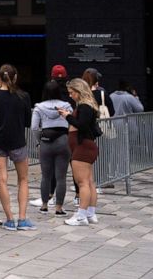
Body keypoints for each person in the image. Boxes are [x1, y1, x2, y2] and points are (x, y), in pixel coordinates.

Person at [0, 64, 35, 231]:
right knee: (23, 179)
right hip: (18, 141)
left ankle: (9, 218)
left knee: (2, 179)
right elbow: (28, 122)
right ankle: (22, 218)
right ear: (15, 77)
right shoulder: (24, 96)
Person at [58, 78, 100, 226]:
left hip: (82, 148)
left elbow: (81, 125)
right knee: (89, 182)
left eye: (72, 93)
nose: (70, 96)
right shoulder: (87, 106)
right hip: (85, 147)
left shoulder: (84, 106)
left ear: (78, 91)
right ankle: (90, 213)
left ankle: (81, 215)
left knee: (82, 183)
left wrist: (67, 116)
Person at [31, 80, 73, 216]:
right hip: (63, 140)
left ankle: (44, 205)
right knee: (61, 177)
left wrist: (39, 141)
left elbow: (34, 127)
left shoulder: (38, 107)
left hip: (46, 141)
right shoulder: (66, 106)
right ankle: (59, 208)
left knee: (46, 176)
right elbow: (72, 123)